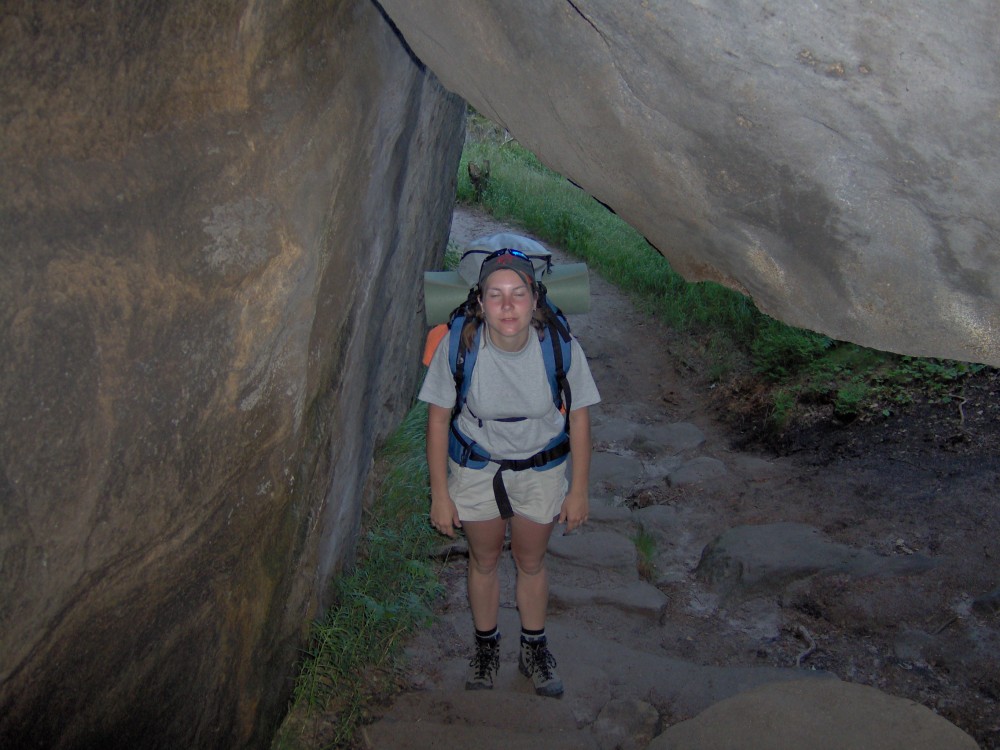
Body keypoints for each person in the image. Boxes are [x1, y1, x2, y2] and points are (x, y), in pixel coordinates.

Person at [418, 247, 601, 697]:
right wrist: (440, 495)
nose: (507, 306)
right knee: (483, 560)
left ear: (535, 299)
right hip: (477, 467)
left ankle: (534, 649)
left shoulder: (559, 346)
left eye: (517, 294)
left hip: (540, 468)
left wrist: (578, 490)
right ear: (480, 302)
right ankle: (486, 648)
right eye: (495, 295)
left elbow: (579, 417)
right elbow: (438, 420)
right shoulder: (458, 347)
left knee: (531, 562)